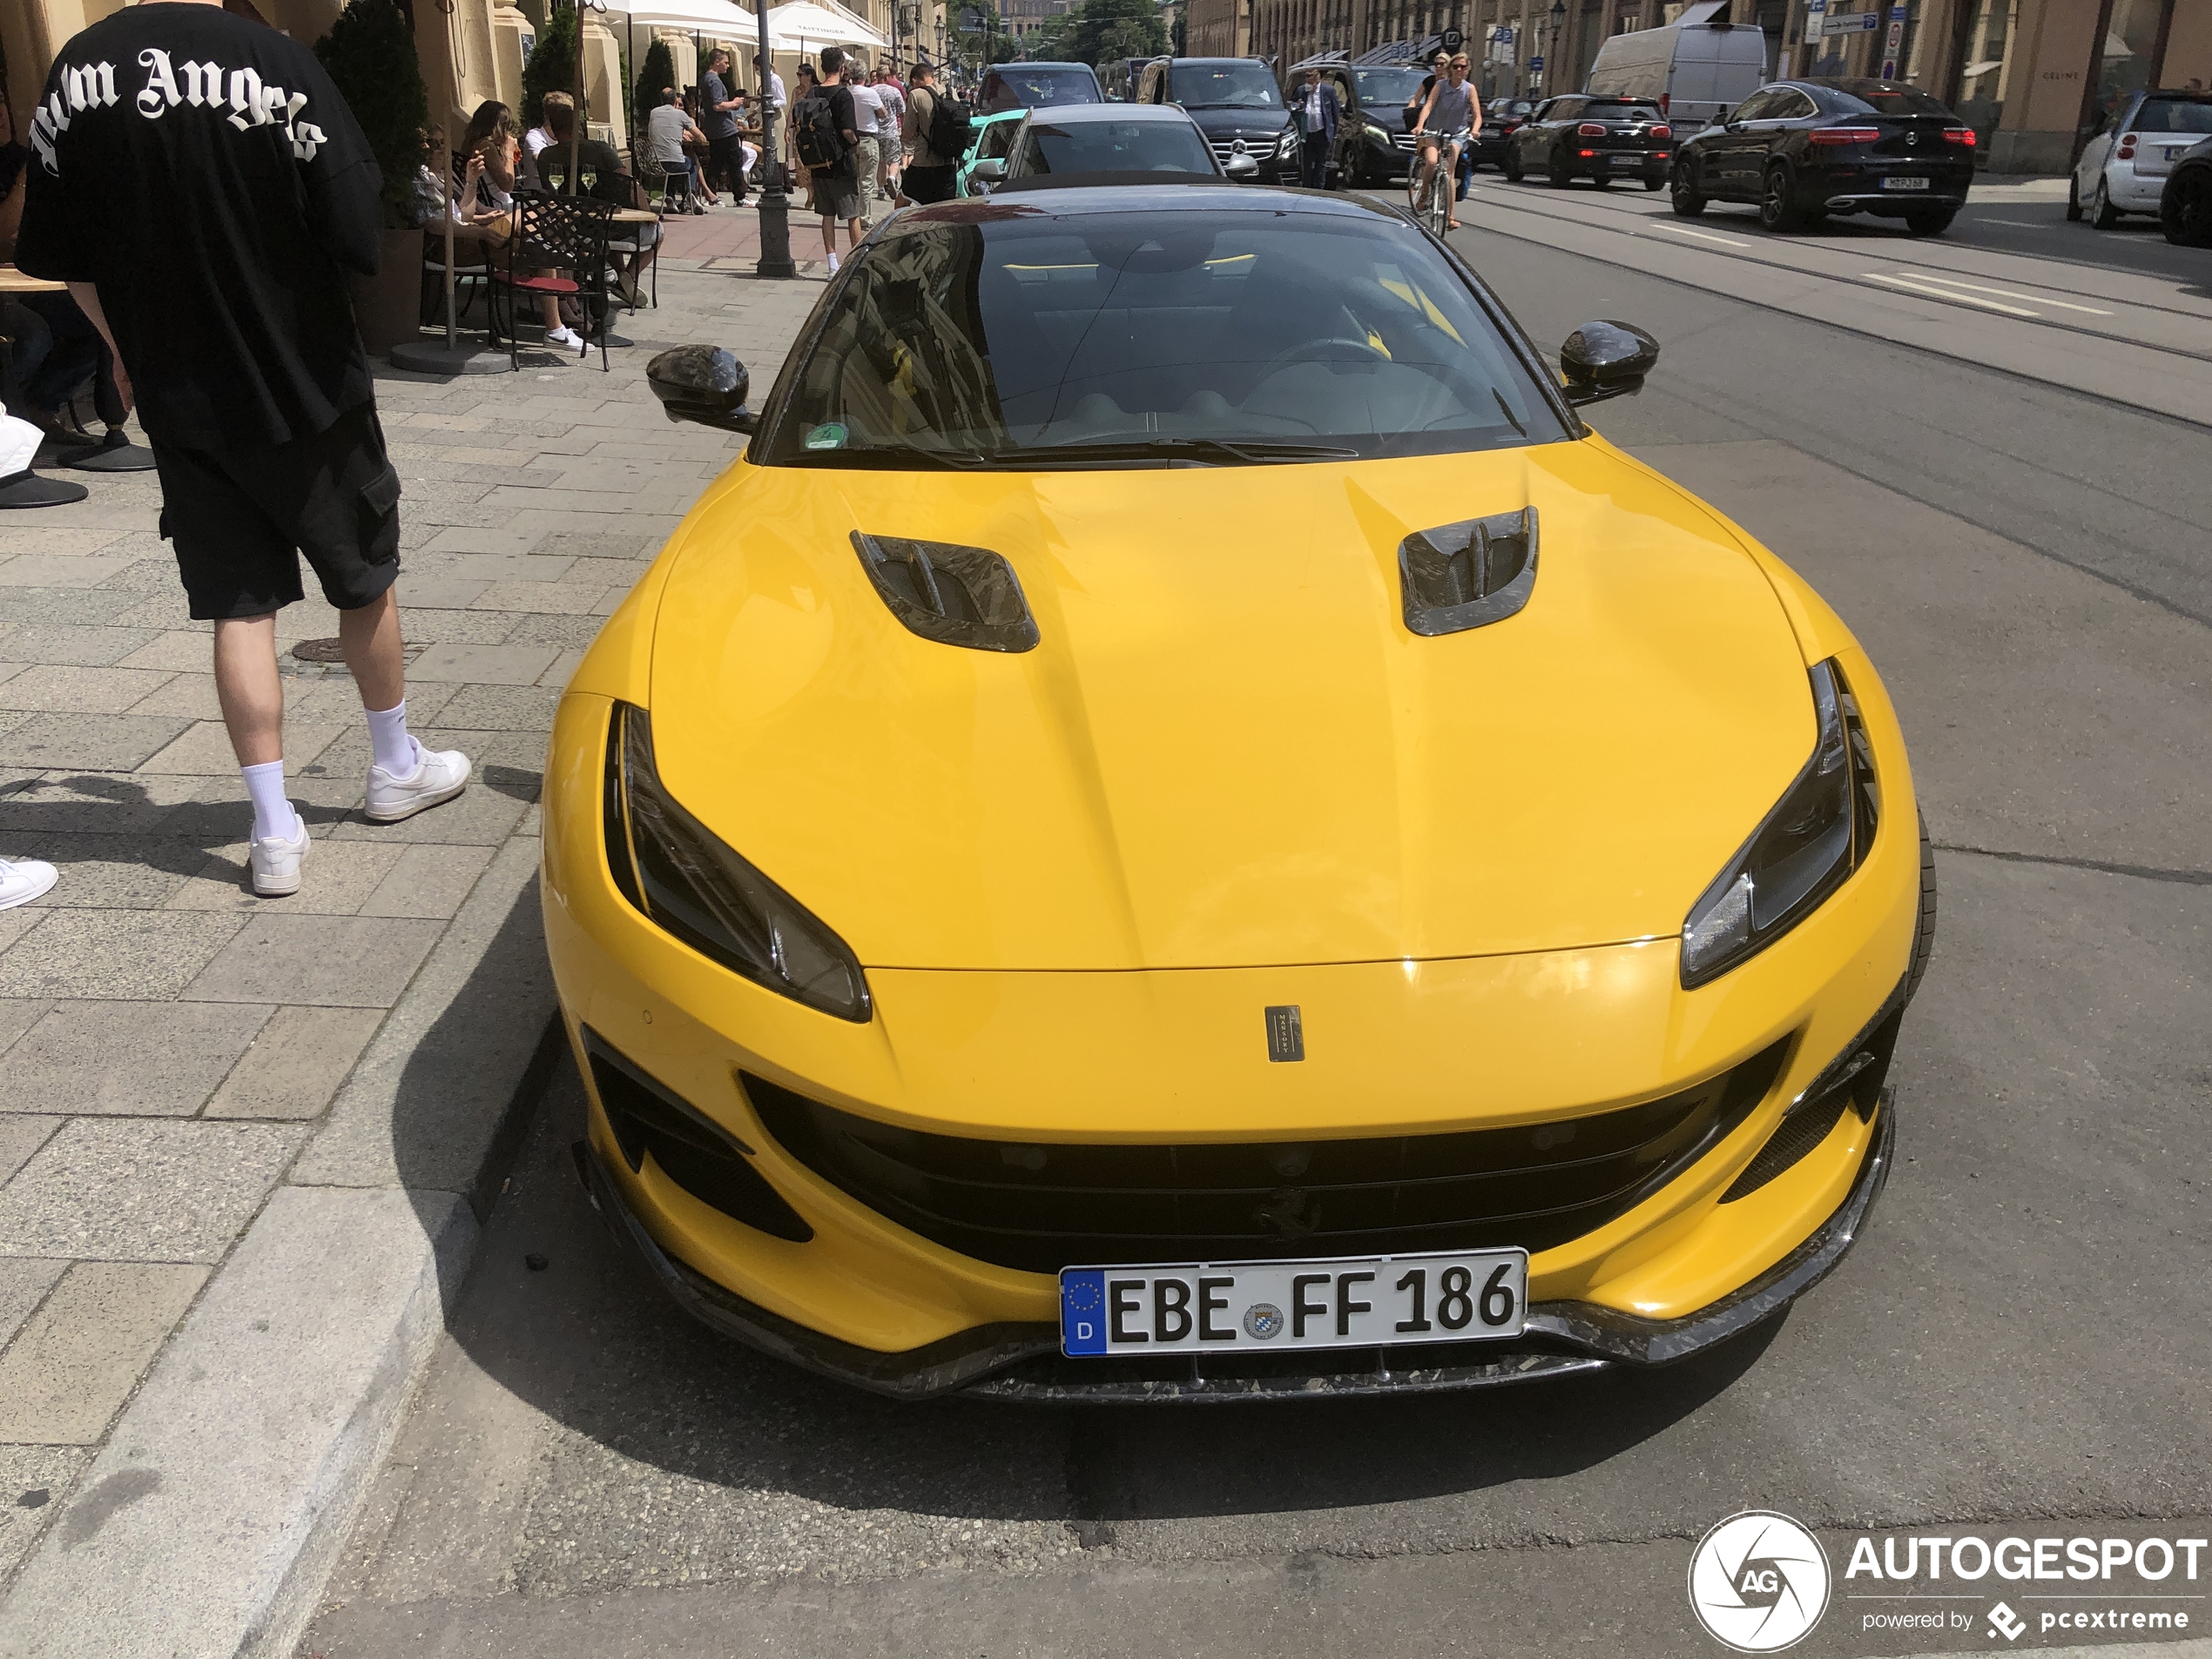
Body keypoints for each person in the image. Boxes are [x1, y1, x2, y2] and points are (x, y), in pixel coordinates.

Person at [15, 0, 470, 898]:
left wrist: (121, 350)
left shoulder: (74, 71)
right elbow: (355, 229)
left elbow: (63, 254)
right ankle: (392, 766)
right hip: (305, 382)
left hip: (181, 397)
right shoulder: (276, 60)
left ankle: (271, 833)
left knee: (239, 605)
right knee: (364, 577)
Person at [806, 48, 865, 273]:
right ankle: (856, 261)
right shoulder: (843, 95)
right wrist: (855, 144)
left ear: (821, 67)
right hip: (841, 163)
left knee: (827, 215)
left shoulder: (812, 94)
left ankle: (832, 264)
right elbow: (849, 131)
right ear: (842, 68)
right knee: (852, 214)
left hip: (818, 162)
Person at [1411, 54, 1480, 230]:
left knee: (1450, 171)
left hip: (1457, 134)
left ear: (1467, 69)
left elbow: (1477, 115)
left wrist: (1475, 130)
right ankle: (1424, 194)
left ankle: (1450, 216)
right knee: (1432, 161)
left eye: (1463, 67)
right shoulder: (1440, 86)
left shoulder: (1469, 89)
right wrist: (1420, 125)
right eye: (1455, 67)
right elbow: (1428, 106)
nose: (1459, 70)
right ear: (1450, 69)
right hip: (1435, 131)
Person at [900, 61, 956, 205]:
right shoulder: (951, 92)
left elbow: (909, 133)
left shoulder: (916, 95)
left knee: (902, 200)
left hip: (924, 162)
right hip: (948, 162)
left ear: (914, 80)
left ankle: (900, 227)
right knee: (942, 208)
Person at [645, 84, 709, 212]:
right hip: (674, 163)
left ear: (661, 100)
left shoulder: (654, 113)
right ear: (675, 101)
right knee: (691, 162)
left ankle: (670, 196)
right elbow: (701, 137)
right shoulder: (680, 114)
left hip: (653, 164)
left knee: (675, 160)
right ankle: (690, 193)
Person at [700, 49, 749, 206]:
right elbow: (717, 105)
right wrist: (734, 103)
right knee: (735, 161)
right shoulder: (714, 80)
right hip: (725, 129)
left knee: (717, 162)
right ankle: (740, 196)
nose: (728, 66)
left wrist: (731, 107)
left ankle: (711, 195)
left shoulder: (707, 78)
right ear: (717, 62)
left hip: (715, 128)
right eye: (726, 62)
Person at [847, 65, 887, 210]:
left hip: (850, 140)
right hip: (868, 139)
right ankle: (864, 217)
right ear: (865, 76)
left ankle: (853, 213)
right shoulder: (870, 93)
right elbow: (883, 113)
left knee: (854, 181)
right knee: (867, 182)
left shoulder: (846, 92)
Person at [1293, 67, 1339, 189]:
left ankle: (1319, 188)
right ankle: (1306, 186)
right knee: (1307, 162)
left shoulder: (1328, 90)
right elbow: (1293, 109)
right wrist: (1299, 104)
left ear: (1317, 79)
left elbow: (1335, 112)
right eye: (1307, 77)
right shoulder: (1301, 90)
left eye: (1311, 78)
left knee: (1321, 163)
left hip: (1322, 131)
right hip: (1307, 132)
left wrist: (1334, 131)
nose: (1308, 81)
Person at [872, 68, 907, 199]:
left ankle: (880, 189)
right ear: (887, 76)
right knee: (894, 160)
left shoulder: (872, 91)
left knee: (880, 162)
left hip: (876, 132)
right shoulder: (894, 91)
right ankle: (891, 177)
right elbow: (902, 113)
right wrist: (903, 129)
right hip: (891, 132)